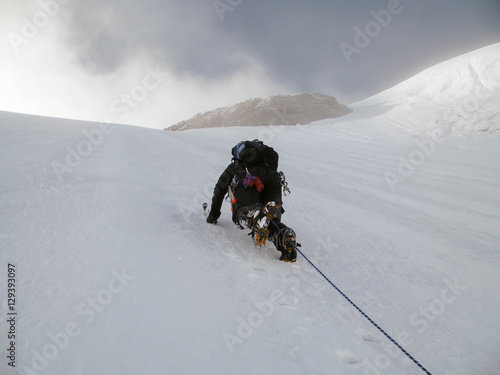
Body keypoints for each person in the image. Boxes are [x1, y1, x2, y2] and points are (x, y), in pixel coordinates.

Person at [206, 140, 298, 262]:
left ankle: (255, 214)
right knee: (271, 220)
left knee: (240, 213)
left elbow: (219, 190)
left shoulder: (237, 165)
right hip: (274, 178)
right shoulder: (268, 163)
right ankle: (284, 237)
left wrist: (213, 216)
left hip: (251, 176)